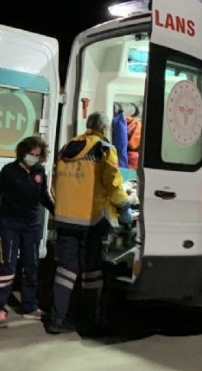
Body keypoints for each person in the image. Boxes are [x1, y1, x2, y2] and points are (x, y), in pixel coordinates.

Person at [48, 111, 129, 335]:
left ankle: (57, 319)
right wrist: (123, 207)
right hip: (91, 221)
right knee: (91, 274)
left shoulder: (67, 148)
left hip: (64, 219)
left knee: (65, 270)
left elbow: (55, 182)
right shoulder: (104, 149)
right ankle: (89, 323)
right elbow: (112, 182)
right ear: (104, 128)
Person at [0, 136, 55, 328]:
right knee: (8, 267)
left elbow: (43, 197)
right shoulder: (9, 171)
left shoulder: (39, 171)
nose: (34, 158)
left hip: (31, 226)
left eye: (38, 155)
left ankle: (30, 307)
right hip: (9, 225)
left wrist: (57, 211)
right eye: (31, 154)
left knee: (32, 267)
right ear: (22, 153)